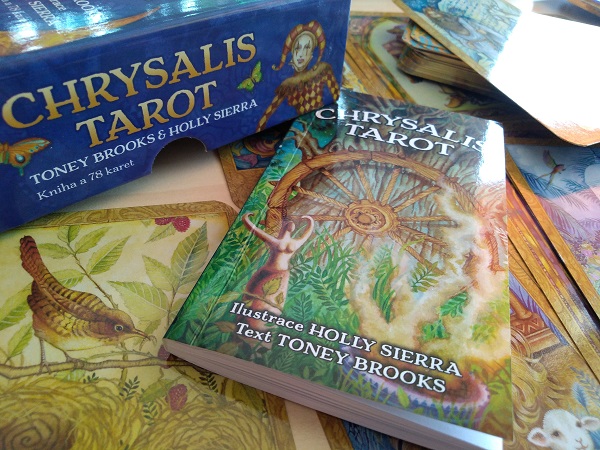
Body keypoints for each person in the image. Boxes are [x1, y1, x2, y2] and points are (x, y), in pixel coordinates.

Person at [256, 21, 339, 132]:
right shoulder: (289, 84)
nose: (301, 54)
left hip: (326, 123)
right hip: (306, 129)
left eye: (307, 48)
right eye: (297, 48)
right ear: (292, 54)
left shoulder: (322, 70)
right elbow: (267, 114)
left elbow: (337, 97)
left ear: (311, 54)